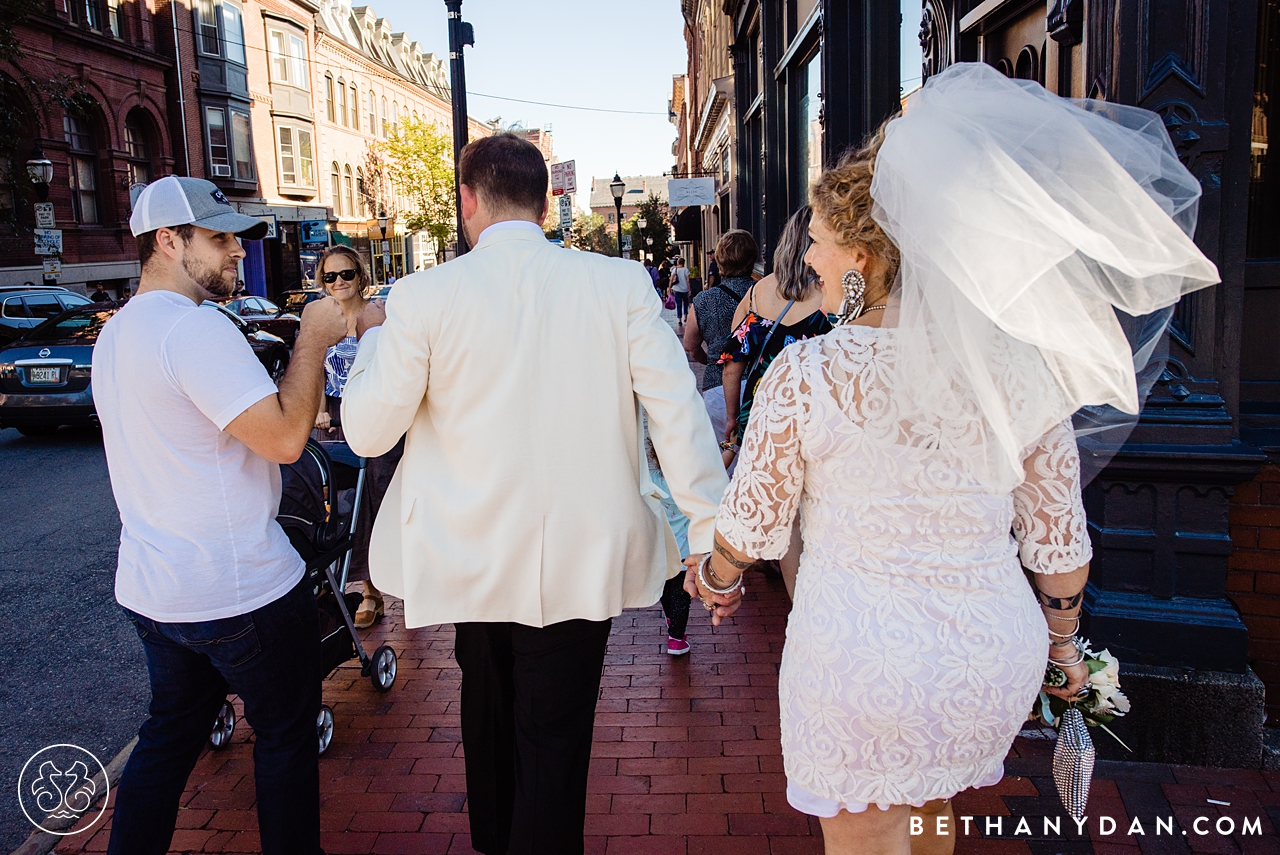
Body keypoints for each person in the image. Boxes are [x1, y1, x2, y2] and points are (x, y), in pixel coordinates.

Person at [689, 64, 1219, 855]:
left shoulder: (808, 370)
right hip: (982, 659)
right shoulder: (1017, 369)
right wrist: (1066, 647)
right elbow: (1057, 540)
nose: (817, 267)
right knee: (932, 831)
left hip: (861, 663)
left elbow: (752, 525)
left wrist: (716, 577)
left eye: (826, 248)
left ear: (865, 260)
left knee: (868, 839)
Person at [339, 133, 727, 855]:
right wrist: (708, 533)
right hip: (581, 555)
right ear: (546, 202)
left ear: (467, 202)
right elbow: (678, 414)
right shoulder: (617, 285)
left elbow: (365, 432)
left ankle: (497, 839)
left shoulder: (421, 297)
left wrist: (369, 340)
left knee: (485, 709)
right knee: (555, 731)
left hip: (466, 554)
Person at [93, 176, 351, 855]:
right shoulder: (194, 327)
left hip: (157, 590)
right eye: (219, 237)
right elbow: (287, 439)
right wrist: (314, 341)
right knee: (285, 736)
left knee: (167, 739)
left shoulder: (116, 335)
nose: (237, 250)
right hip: (241, 590)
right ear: (168, 241)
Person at [717, 208, 831, 597]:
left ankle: (799, 598)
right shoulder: (836, 294)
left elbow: (733, 364)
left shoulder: (758, 293)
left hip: (766, 409)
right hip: (825, 410)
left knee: (789, 516)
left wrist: (734, 418)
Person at [311, 245, 399, 628]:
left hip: (371, 413)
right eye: (330, 276)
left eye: (346, 274)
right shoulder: (317, 317)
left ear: (360, 276)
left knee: (377, 495)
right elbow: (311, 369)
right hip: (335, 416)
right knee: (338, 502)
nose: (339, 282)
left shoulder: (375, 313)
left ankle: (376, 586)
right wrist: (317, 411)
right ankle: (357, 585)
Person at [684, 230, 757, 408]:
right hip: (758, 381)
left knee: (721, 436)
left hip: (718, 385)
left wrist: (711, 359)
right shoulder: (764, 293)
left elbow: (690, 345)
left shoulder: (704, 300)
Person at [669, 256, 691, 324]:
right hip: (685, 289)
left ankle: (679, 319)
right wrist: (689, 289)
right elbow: (688, 280)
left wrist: (669, 288)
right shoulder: (686, 270)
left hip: (676, 289)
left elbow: (671, 279)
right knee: (685, 303)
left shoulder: (674, 270)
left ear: (678, 263)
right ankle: (686, 317)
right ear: (684, 263)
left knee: (679, 304)